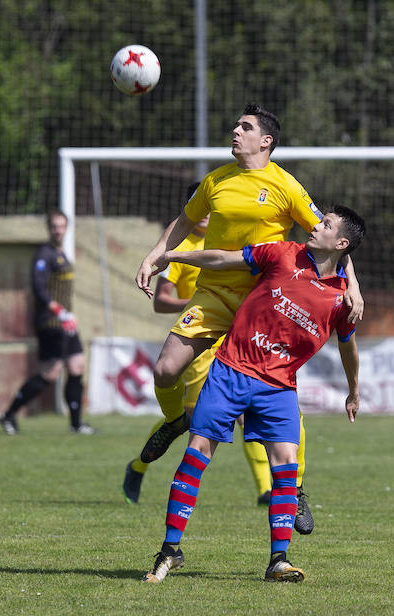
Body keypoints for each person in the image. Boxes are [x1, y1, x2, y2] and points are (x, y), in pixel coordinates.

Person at [131, 103, 364, 529]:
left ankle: (294, 489)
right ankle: (174, 420)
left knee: (279, 392)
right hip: (214, 293)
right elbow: (184, 221)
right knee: (165, 371)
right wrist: (154, 256)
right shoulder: (216, 180)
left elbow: (334, 242)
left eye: (245, 127)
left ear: (266, 141)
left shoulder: (286, 187)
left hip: (264, 302)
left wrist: (355, 287)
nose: (234, 131)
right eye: (236, 125)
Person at [141, 204, 364, 584]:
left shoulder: (343, 299)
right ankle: (169, 551)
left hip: (279, 387)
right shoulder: (283, 252)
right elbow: (224, 258)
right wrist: (172, 254)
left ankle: (279, 560)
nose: (315, 225)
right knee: (197, 454)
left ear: (341, 242)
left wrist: (354, 391)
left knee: (286, 469)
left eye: (325, 224)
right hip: (230, 370)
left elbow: (348, 346)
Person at [122, 202, 276, 509]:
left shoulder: (233, 244)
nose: (207, 213)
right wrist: (205, 301)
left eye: (211, 208)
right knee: (190, 419)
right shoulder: (185, 250)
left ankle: (265, 490)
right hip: (201, 338)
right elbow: (161, 301)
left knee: (246, 414)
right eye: (200, 208)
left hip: (235, 339)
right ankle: (138, 465)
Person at [0, 210, 95, 435]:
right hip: (50, 322)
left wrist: (68, 314)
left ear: (67, 228)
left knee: (77, 365)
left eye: (61, 226)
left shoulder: (61, 254)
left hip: (66, 322)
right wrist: (59, 311)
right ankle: (9, 414)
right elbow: (39, 288)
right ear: (48, 228)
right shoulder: (44, 255)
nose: (58, 230)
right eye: (54, 226)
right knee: (50, 373)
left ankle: (76, 424)